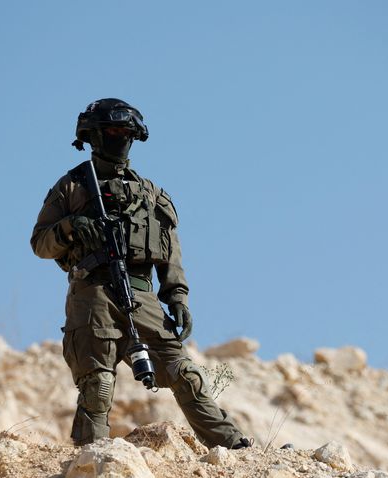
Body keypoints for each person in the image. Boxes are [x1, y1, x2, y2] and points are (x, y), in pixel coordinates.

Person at [31, 98, 251, 449]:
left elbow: (170, 253)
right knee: (98, 384)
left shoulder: (151, 194)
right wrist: (72, 226)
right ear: (94, 136)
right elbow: (40, 244)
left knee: (185, 373)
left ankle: (230, 445)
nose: (119, 138)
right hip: (93, 293)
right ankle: (92, 457)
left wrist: (177, 296)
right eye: (112, 131)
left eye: (125, 132)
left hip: (142, 295)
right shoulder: (71, 187)